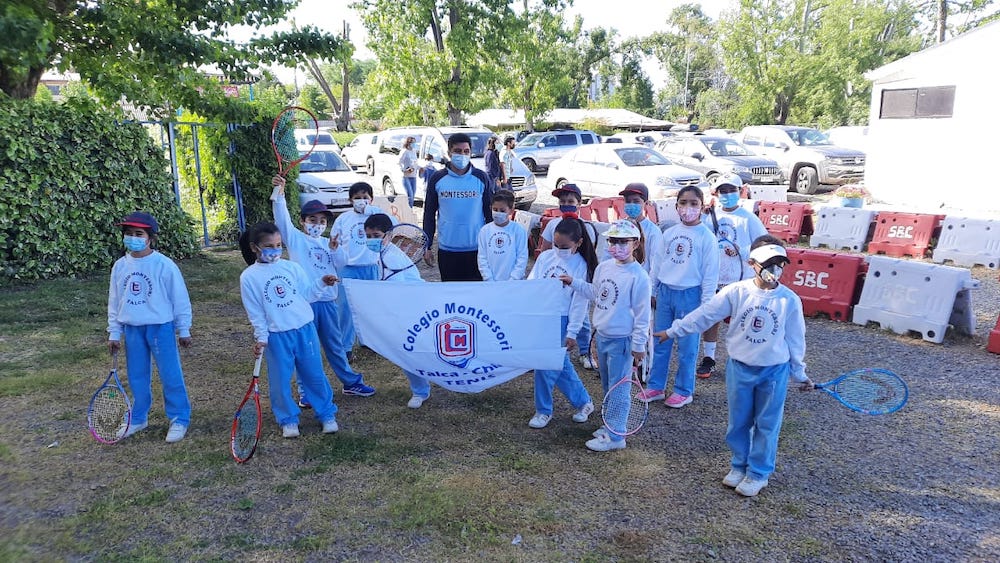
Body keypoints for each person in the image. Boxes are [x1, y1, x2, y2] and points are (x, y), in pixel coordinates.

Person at [653, 235, 813, 497]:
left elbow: (796, 339)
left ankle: (758, 472)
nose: (775, 270)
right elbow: (705, 315)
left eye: (780, 263)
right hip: (740, 367)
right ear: (752, 264)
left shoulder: (789, 300)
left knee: (767, 423)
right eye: (768, 263)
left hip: (773, 371)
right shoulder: (736, 292)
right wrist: (673, 331)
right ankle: (739, 465)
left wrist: (799, 372)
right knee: (738, 422)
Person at [270, 176, 375, 402]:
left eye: (321, 221)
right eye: (312, 220)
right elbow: (282, 219)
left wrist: (336, 250)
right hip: (305, 303)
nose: (317, 225)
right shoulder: (296, 239)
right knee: (307, 349)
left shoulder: (328, 243)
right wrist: (279, 193)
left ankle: (350, 382)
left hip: (328, 302)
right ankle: (306, 391)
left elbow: (340, 264)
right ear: (302, 221)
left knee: (335, 346)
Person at [238, 222, 341, 438]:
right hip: (277, 336)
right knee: (280, 379)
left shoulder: (291, 268)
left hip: (304, 330)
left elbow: (308, 294)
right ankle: (288, 418)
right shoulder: (249, 277)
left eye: (278, 245)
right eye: (269, 246)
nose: (275, 250)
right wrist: (261, 337)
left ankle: (326, 414)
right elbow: (255, 312)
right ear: (255, 247)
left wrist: (322, 283)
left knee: (314, 375)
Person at [559, 220, 651, 452]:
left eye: (623, 241)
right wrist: (574, 283)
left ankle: (617, 436)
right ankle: (609, 424)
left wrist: (638, 345)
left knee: (620, 388)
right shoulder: (604, 267)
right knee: (609, 384)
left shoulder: (639, 277)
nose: (617, 246)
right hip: (602, 335)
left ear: (635, 243)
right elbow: (595, 292)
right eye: (613, 241)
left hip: (623, 340)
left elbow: (642, 315)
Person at [107, 212, 193, 443]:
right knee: (137, 376)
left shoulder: (164, 265)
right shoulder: (120, 266)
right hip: (132, 329)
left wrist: (183, 329)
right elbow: (115, 301)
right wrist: (114, 332)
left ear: (150, 238)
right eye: (128, 234)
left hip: (160, 327)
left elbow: (179, 298)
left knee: (170, 374)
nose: (133, 238)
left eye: (138, 234)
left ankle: (179, 418)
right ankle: (138, 418)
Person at [639, 186, 719, 408]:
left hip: (690, 295)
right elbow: (657, 264)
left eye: (694, 203)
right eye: (683, 203)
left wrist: (706, 305)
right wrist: (653, 290)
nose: (688, 208)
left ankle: (684, 390)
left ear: (702, 207)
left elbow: (710, 274)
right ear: (676, 207)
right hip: (665, 292)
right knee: (660, 341)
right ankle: (656, 386)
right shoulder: (669, 233)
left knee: (687, 346)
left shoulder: (707, 237)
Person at [525, 218, 597, 430]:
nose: (559, 250)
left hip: (562, 319)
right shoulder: (546, 257)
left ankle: (543, 410)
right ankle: (584, 402)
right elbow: (532, 283)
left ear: (579, 243)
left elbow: (579, 304)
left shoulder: (581, 266)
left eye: (564, 247)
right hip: (543, 317)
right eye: (556, 245)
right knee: (559, 364)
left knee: (545, 365)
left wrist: (572, 331)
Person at [697, 173, 768, 379]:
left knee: (741, 320)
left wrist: (742, 250)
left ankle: (741, 358)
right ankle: (708, 357)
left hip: (741, 278)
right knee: (711, 318)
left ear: (740, 191)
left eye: (731, 190)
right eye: (723, 191)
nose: (727, 194)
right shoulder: (711, 215)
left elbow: (764, 244)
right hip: (715, 276)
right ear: (716, 194)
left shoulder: (749, 219)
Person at [362, 213, 432, 408]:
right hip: (403, 308)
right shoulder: (381, 253)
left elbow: (395, 292)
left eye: (376, 235)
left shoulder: (393, 257)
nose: (372, 240)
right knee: (406, 352)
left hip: (412, 308)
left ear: (389, 235)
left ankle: (421, 390)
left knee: (409, 351)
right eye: (368, 236)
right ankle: (420, 389)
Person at [538, 183, 597, 370]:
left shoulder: (585, 227)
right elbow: (546, 249)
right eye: (562, 201)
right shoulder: (553, 224)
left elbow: (587, 254)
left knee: (581, 319)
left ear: (579, 204)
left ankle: (584, 352)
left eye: (570, 201)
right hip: (555, 290)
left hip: (575, 283)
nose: (566, 204)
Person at [330, 182, 389, 364]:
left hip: (371, 267)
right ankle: (345, 347)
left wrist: (373, 210)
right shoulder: (343, 219)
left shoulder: (377, 214)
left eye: (365, 197)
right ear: (350, 200)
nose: (361, 201)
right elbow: (334, 242)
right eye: (357, 198)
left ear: (371, 199)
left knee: (370, 308)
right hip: (348, 269)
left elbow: (391, 229)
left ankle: (369, 342)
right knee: (346, 310)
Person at [421, 132, 492, 281]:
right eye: (458, 151)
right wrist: (426, 246)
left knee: (476, 298)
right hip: (448, 250)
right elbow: (429, 214)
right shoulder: (437, 178)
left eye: (466, 151)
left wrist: (492, 244)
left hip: (477, 250)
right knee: (451, 298)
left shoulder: (481, 177)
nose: (462, 155)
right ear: (449, 153)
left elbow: (489, 213)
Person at [477, 189, 528, 281]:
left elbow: (522, 257)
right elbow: (482, 257)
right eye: (495, 209)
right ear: (490, 208)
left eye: (502, 210)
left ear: (511, 210)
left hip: (513, 283)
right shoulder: (484, 231)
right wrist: (488, 278)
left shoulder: (518, 230)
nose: (498, 213)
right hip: (491, 282)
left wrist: (514, 278)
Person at [618, 183, 663, 276]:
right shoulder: (618, 227)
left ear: (646, 204)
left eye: (636, 201)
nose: (631, 204)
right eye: (628, 201)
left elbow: (656, 264)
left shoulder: (653, 231)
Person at [398, 136, 419, 208]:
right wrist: (404, 170)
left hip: (413, 176)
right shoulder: (404, 151)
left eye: (414, 142)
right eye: (412, 143)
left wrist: (420, 168)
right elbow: (399, 163)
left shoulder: (414, 151)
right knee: (410, 196)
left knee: (413, 195)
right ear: (408, 143)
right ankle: (408, 210)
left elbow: (415, 163)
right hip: (406, 176)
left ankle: (410, 210)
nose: (414, 144)